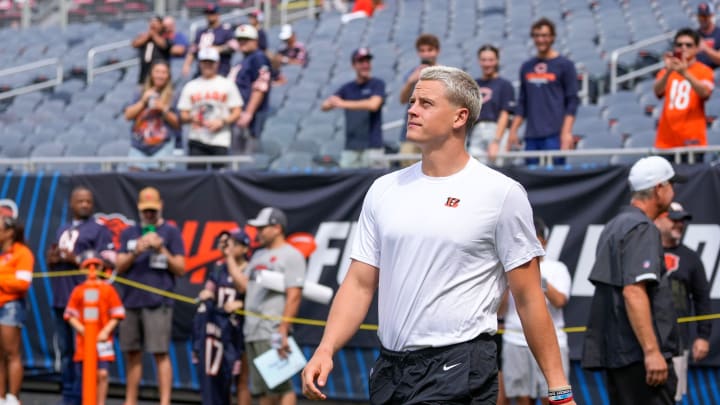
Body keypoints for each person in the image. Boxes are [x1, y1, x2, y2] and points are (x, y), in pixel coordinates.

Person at [302, 66, 575, 405]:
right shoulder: (383, 189)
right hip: (390, 367)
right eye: (412, 101)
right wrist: (326, 348)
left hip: (460, 365)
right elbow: (359, 283)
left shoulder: (501, 193)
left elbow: (529, 297)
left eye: (426, 103)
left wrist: (559, 389)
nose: (411, 109)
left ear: (460, 117)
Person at [582, 156, 683, 405]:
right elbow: (633, 292)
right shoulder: (641, 227)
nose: (674, 190)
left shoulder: (614, 225)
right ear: (659, 188)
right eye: (671, 184)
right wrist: (652, 352)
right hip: (639, 357)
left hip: (620, 355)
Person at [115, 187, 186, 405]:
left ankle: (165, 402)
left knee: (160, 353)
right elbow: (118, 266)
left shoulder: (171, 232)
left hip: (159, 302)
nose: (149, 214)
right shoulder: (129, 233)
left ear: (160, 206)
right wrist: (136, 250)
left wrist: (161, 249)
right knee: (132, 354)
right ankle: (130, 400)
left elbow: (181, 268)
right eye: (146, 210)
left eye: (153, 210)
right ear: (138, 208)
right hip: (131, 301)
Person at [46, 186, 114, 405]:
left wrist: (75, 259)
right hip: (62, 298)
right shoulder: (63, 228)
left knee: (83, 353)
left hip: (87, 303)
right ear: (71, 204)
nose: (85, 205)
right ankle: (68, 396)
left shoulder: (99, 229)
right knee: (66, 352)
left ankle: (84, 396)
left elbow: (104, 264)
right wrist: (54, 258)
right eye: (80, 201)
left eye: (88, 201)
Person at [240, 207, 306, 405]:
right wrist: (229, 260)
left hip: (272, 330)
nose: (258, 232)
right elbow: (245, 287)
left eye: (262, 228)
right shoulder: (258, 255)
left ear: (277, 228)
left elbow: (294, 295)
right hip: (252, 330)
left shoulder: (292, 255)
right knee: (262, 390)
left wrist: (283, 329)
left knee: (281, 386)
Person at [502, 216, 571, 405]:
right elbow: (500, 310)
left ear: (544, 241)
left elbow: (559, 301)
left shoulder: (557, 268)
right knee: (521, 398)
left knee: (553, 396)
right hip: (514, 340)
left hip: (552, 342)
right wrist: (507, 285)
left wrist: (535, 279)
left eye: (536, 237)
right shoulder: (509, 270)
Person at [653, 201, 712, 403]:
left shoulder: (691, 258)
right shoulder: (643, 252)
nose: (679, 224)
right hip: (642, 341)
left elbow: (702, 299)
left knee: (671, 397)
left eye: (682, 221)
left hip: (676, 342)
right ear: (658, 219)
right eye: (674, 220)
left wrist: (703, 335)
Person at [508, 18, 579, 166]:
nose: (541, 39)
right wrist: (513, 131)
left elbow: (572, 101)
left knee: (556, 180)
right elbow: (522, 102)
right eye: (537, 35)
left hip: (555, 135)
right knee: (532, 181)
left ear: (552, 37)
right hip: (531, 135)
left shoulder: (565, 65)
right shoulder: (526, 67)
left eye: (545, 35)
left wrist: (566, 132)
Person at [192, 229, 251, 405]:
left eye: (233, 244)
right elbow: (209, 288)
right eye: (226, 244)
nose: (228, 248)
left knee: (241, 380)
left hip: (240, 331)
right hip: (219, 329)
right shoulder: (219, 269)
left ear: (244, 247)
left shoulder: (251, 268)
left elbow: (252, 295)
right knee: (218, 376)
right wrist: (206, 293)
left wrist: (241, 305)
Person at [64, 252, 125, 405]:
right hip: (84, 344)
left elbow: (117, 313)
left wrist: (105, 331)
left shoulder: (108, 290)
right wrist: (84, 330)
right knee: (85, 376)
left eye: (95, 266)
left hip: (102, 342)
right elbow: (70, 314)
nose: (92, 269)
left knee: (102, 374)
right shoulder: (79, 290)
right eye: (88, 266)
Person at [653, 28, 713, 162]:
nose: (683, 48)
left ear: (697, 48)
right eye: (679, 45)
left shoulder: (704, 71)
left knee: (692, 182)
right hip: (666, 140)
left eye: (688, 45)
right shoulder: (667, 70)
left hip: (693, 141)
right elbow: (657, 91)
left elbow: (705, 93)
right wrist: (669, 71)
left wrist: (684, 72)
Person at [177, 47, 243, 170]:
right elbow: (183, 114)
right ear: (200, 63)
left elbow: (237, 111)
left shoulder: (227, 84)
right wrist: (192, 118)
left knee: (220, 180)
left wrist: (222, 121)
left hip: (220, 139)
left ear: (217, 63)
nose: (207, 65)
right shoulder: (191, 86)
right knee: (195, 179)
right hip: (197, 139)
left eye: (210, 62)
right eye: (204, 62)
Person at [321, 47, 386, 168]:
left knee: (376, 182)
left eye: (367, 61)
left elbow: (373, 105)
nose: (365, 65)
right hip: (351, 147)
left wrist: (343, 103)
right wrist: (333, 102)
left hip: (372, 145)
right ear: (353, 65)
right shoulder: (348, 88)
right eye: (361, 62)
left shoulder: (377, 84)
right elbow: (324, 106)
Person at [0, 215, 34, 405]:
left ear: (9, 233)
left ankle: (13, 397)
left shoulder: (22, 253)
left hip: (11, 307)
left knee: (11, 352)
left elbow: (22, 283)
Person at [124, 61, 181, 171]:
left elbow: (178, 124)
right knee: (134, 181)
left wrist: (163, 109)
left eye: (164, 72)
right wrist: (143, 102)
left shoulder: (173, 96)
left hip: (162, 147)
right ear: (151, 74)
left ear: (168, 76)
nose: (160, 75)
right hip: (139, 147)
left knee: (159, 182)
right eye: (157, 72)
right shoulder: (139, 92)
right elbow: (127, 116)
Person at [397, 34, 440, 165]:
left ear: (437, 51)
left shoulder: (445, 74)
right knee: (406, 168)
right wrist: (411, 81)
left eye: (430, 50)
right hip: (412, 130)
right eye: (422, 50)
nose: (426, 54)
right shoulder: (412, 73)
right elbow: (403, 100)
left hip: (435, 131)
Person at [229, 24, 272, 153]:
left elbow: (260, 87)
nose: (242, 43)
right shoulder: (244, 59)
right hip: (239, 113)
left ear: (255, 41)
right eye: (240, 39)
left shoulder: (258, 58)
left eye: (246, 39)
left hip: (250, 115)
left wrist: (249, 112)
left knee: (247, 154)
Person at [472, 44, 516, 162]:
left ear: (497, 61)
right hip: (476, 132)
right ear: (479, 61)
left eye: (491, 60)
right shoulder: (473, 84)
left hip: (496, 130)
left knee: (498, 169)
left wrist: (496, 141)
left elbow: (505, 114)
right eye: (484, 60)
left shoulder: (505, 85)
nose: (487, 64)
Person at [182, 3, 236, 77]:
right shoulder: (201, 32)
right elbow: (193, 49)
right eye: (208, 13)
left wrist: (217, 49)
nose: (210, 15)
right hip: (202, 72)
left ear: (217, 14)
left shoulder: (225, 30)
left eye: (212, 13)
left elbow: (234, 46)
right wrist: (187, 64)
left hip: (221, 71)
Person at [131, 16, 171, 85]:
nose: (153, 25)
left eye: (156, 23)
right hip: (144, 73)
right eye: (152, 23)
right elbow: (135, 44)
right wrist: (148, 35)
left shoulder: (165, 36)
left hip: (159, 73)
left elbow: (164, 45)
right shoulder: (145, 37)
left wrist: (154, 34)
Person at [696, 2, 720, 69]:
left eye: (706, 16)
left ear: (712, 16)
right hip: (698, 71)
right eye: (701, 16)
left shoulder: (718, 33)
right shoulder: (694, 35)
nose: (703, 19)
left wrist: (705, 48)